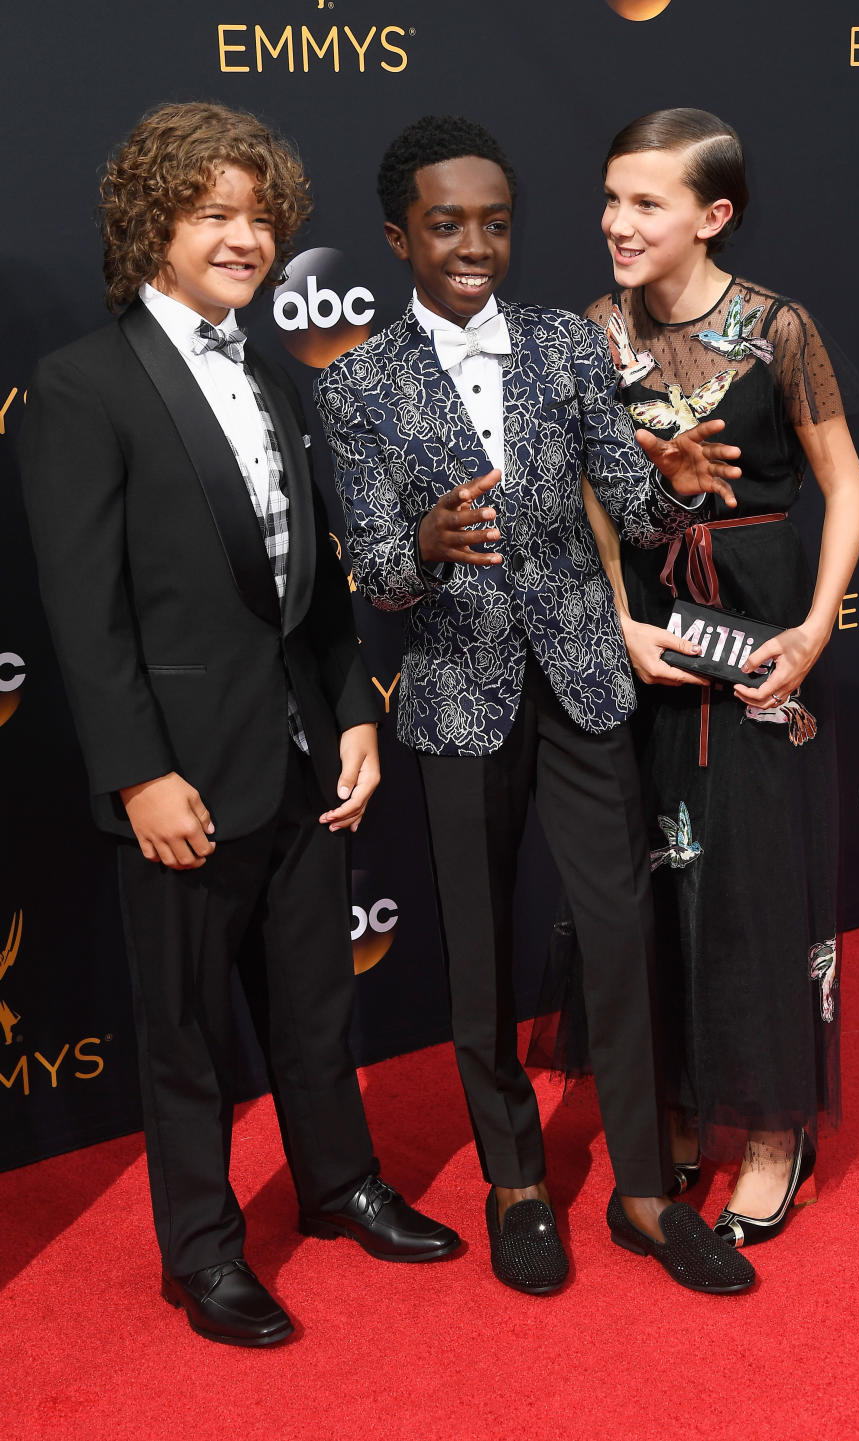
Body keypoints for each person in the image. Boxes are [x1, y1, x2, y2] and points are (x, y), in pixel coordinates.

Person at [18, 101, 460, 1349]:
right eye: (214, 213)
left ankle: (338, 1187)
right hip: (182, 780)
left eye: (260, 216)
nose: (245, 238)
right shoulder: (78, 387)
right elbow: (83, 616)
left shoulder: (267, 368)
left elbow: (301, 580)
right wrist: (140, 774)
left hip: (302, 757)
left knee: (317, 1001)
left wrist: (356, 710)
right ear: (149, 223)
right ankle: (204, 1253)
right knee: (188, 1033)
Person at [315, 114, 756, 1297]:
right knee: (479, 958)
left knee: (618, 934)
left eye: (495, 223)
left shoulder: (566, 346)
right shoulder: (358, 383)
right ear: (399, 233)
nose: (474, 244)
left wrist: (668, 488)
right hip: (457, 697)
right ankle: (517, 1184)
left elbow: (631, 496)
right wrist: (422, 539)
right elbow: (377, 572)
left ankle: (646, 1196)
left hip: (582, 680)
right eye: (447, 223)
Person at [581, 108, 859, 1247]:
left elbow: (845, 483)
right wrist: (616, 620)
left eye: (646, 203)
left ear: (713, 216)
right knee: (663, 869)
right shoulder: (591, 334)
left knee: (758, 878)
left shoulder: (778, 329)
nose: (616, 222)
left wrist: (816, 627)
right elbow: (594, 501)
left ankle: (772, 1130)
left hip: (763, 623)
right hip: (653, 627)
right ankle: (691, 1095)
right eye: (610, 198)